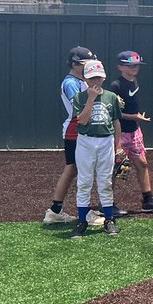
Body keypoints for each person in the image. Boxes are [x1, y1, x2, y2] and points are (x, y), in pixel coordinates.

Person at [107, 50, 153, 214]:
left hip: (135, 130)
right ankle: (107, 204)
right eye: (130, 65)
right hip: (120, 132)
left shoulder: (134, 81)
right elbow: (113, 113)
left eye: (136, 65)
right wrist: (134, 117)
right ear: (120, 67)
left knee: (142, 163)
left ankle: (148, 200)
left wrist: (136, 119)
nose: (135, 68)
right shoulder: (116, 86)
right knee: (116, 167)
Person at [68, 60, 123, 239]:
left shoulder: (111, 97)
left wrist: (118, 146)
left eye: (99, 78)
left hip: (106, 140)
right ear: (85, 78)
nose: (96, 82)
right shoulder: (80, 97)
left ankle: (109, 219)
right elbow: (82, 121)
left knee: (105, 181)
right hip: (86, 140)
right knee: (84, 181)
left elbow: (116, 122)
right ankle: (82, 220)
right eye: (92, 78)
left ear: (104, 78)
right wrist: (91, 99)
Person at [45, 46, 96, 225]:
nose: (89, 67)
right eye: (85, 64)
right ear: (75, 64)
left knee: (74, 169)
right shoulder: (71, 83)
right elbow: (80, 108)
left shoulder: (81, 81)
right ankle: (83, 212)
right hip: (75, 129)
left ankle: (55, 210)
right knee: (78, 169)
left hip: (79, 128)